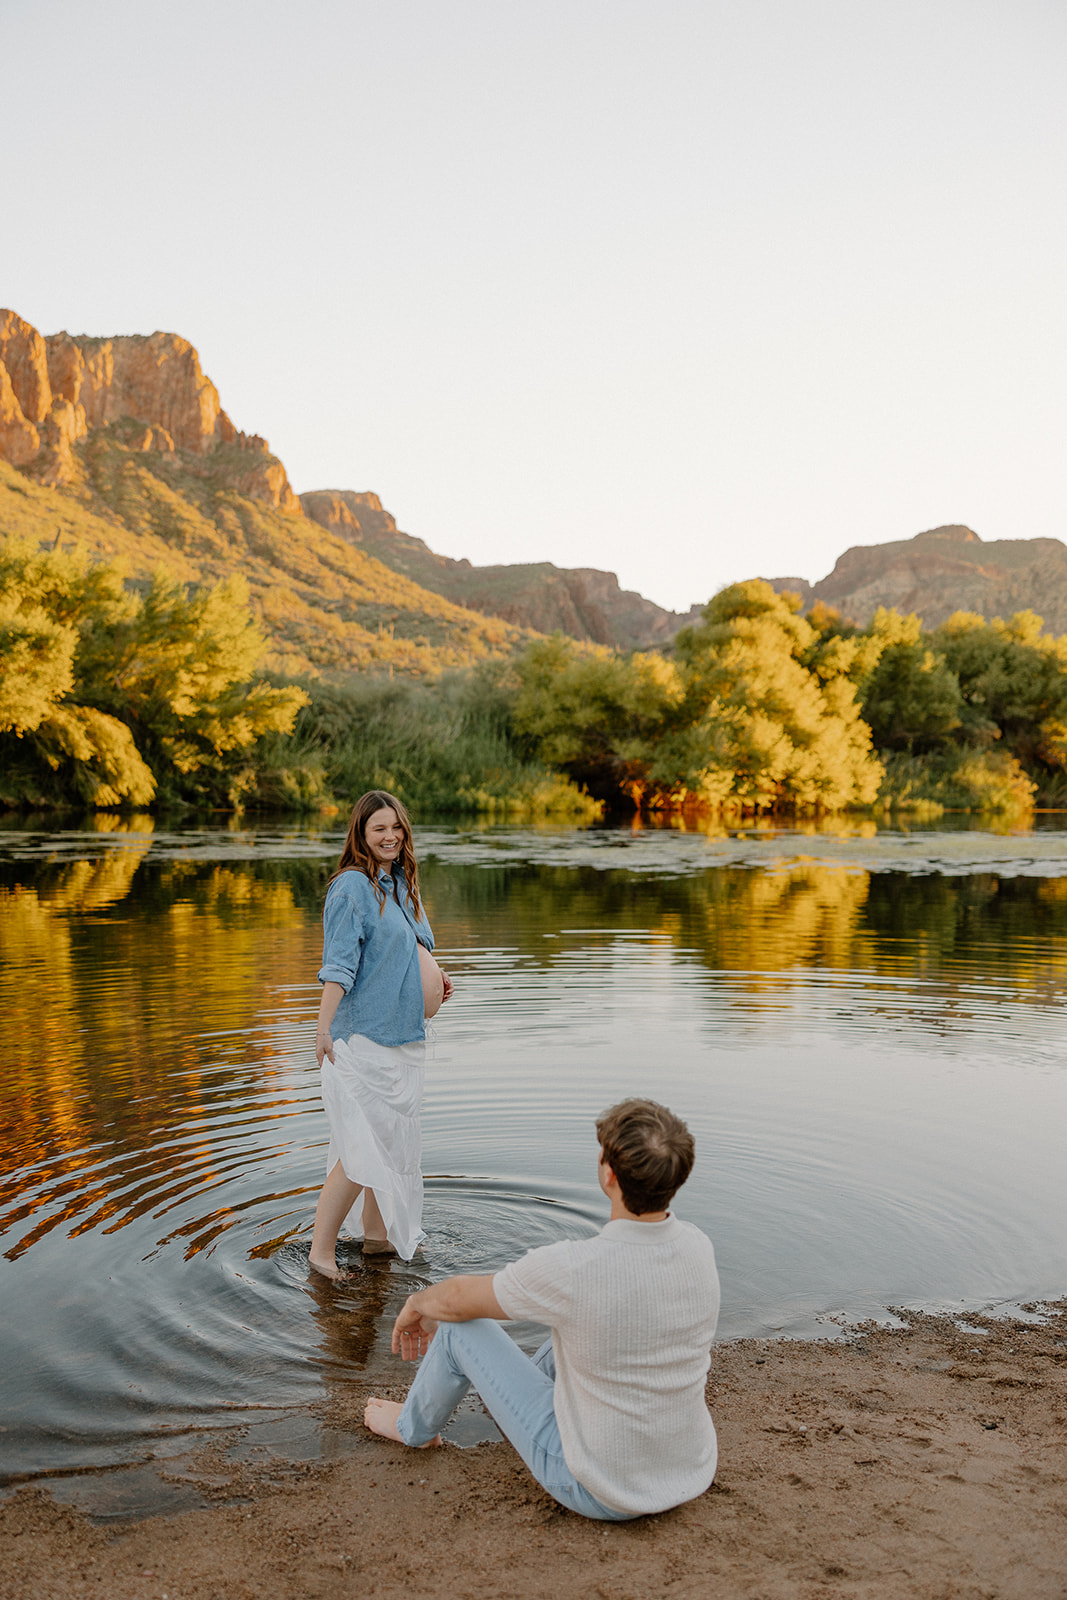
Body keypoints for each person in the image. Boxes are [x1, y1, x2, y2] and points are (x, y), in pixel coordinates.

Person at [365, 1098, 720, 1521]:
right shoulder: (698, 1245)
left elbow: (459, 1300)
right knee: (586, 1331)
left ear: (608, 1175)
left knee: (461, 1329)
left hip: (598, 1488)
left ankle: (413, 1429)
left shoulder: (576, 1268)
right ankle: (515, 1411)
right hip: (686, 1468)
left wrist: (416, 1303)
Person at [309, 790, 451, 1276]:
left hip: (404, 1037)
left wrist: (435, 979)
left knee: (387, 1148)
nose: (390, 837)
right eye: (379, 830)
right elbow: (339, 967)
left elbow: (416, 948)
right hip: (362, 1039)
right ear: (361, 835)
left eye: (396, 828)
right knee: (360, 1149)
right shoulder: (351, 887)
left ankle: (376, 1241)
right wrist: (323, 1028)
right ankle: (320, 1253)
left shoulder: (401, 884)